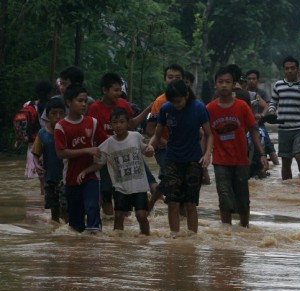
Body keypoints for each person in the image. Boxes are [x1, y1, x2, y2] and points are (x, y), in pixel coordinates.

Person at [145, 79, 212, 236]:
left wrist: (207, 154)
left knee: (190, 203)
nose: (177, 105)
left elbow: (209, 134)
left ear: (186, 95)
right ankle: (174, 236)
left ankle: (192, 238)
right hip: (172, 160)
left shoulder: (199, 108)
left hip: (193, 161)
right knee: (172, 202)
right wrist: (150, 146)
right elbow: (157, 133)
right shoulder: (166, 109)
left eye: (179, 101)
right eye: (173, 102)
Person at [206, 66, 268, 227]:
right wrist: (204, 157)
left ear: (234, 85)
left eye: (228, 82)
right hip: (220, 160)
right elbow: (206, 135)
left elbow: (254, 130)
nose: (224, 85)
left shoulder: (241, 106)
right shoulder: (210, 109)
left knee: (242, 196)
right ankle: (226, 231)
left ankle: (244, 228)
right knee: (224, 196)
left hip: (241, 159)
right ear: (215, 85)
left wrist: (262, 154)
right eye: (221, 82)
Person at [78, 108, 151, 235]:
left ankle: (146, 240)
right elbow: (98, 163)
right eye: (115, 122)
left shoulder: (136, 136)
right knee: (118, 216)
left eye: (122, 122)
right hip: (120, 187)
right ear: (110, 125)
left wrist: (151, 150)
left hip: (139, 187)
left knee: (141, 216)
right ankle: (118, 245)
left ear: (128, 123)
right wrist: (85, 171)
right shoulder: (108, 144)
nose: (118, 125)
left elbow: (147, 151)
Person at [88, 72, 153, 215]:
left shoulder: (123, 104)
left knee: (146, 184)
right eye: (115, 90)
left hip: (127, 153)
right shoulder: (94, 108)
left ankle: (135, 216)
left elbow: (132, 124)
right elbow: (95, 133)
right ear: (105, 90)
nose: (118, 93)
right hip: (106, 155)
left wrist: (148, 109)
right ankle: (112, 222)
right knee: (106, 192)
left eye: (119, 90)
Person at [54, 84, 101, 233]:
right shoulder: (60, 127)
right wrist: (86, 150)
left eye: (85, 101)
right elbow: (61, 153)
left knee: (92, 207)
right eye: (80, 101)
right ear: (69, 102)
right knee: (76, 225)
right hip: (71, 177)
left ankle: (97, 245)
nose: (83, 104)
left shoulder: (92, 122)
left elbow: (103, 144)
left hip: (91, 174)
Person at [266, 56, 300, 180]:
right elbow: (273, 102)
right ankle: (288, 190)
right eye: (287, 68)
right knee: (286, 161)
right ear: (284, 70)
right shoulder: (278, 85)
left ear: (297, 70)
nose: (289, 71)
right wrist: (272, 111)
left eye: (292, 68)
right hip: (284, 128)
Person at [31, 97, 67, 223]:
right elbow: (35, 153)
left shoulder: (68, 132)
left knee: (65, 207)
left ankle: (66, 234)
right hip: (50, 177)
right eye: (54, 113)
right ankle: (56, 234)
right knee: (54, 210)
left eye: (61, 113)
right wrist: (37, 165)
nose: (57, 116)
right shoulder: (42, 134)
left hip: (66, 177)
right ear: (47, 115)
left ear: (65, 114)